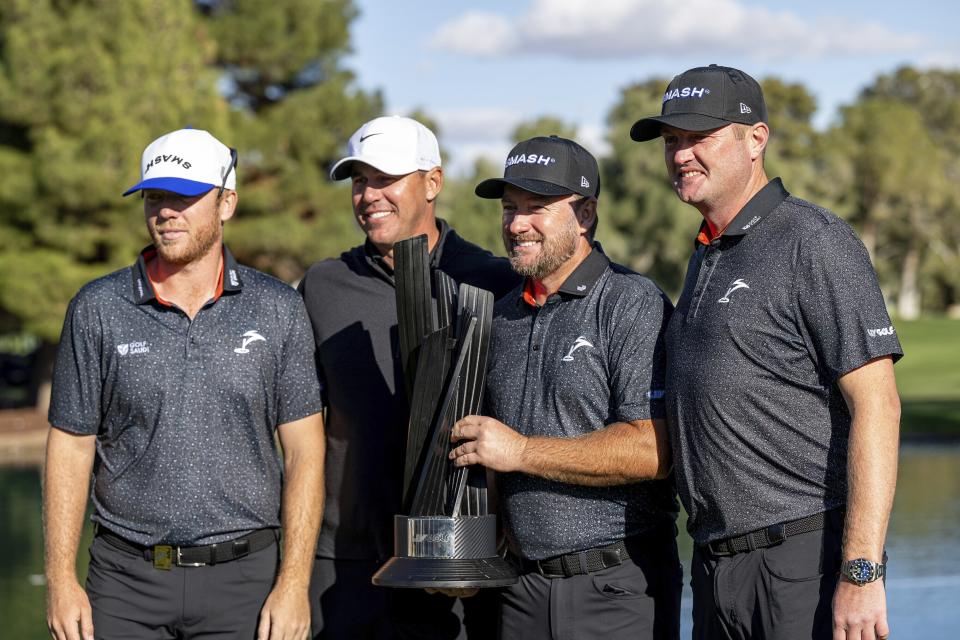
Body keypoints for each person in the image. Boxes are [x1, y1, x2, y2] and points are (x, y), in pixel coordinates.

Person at [631, 64, 903, 640]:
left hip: (803, 563)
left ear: (756, 139)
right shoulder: (708, 252)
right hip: (717, 564)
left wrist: (861, 570)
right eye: (672, 141)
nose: (680, 155)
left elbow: (878, 405)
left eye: (698, 137)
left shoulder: (813, 240)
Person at [43, 128, 325, 640]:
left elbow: (305, 451)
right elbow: (70, 446)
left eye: (185, 195)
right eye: (154, 196)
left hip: (247, 584)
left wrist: (293, 584)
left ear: (227, 203)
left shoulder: (279, 307)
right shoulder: (97, 308)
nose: (166, 211)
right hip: (124, 584)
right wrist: (61, 580)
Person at [450, 135, 682, 640]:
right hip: (518, 590)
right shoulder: (503, 313)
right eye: (510, 208)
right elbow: (486, 458)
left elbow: (653, 448)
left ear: (586, 215)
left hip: (616, 587)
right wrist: (468, 549)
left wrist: (522, 451)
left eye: (537, 208)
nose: (516, 225)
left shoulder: (630, 302)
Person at [298, 115, 519, 639]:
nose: (369, 194)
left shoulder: (493, 281)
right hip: (345, 569)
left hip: (461, 565)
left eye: (386, 178)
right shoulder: (322, 286)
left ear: (434, 182)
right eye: (359, 181)